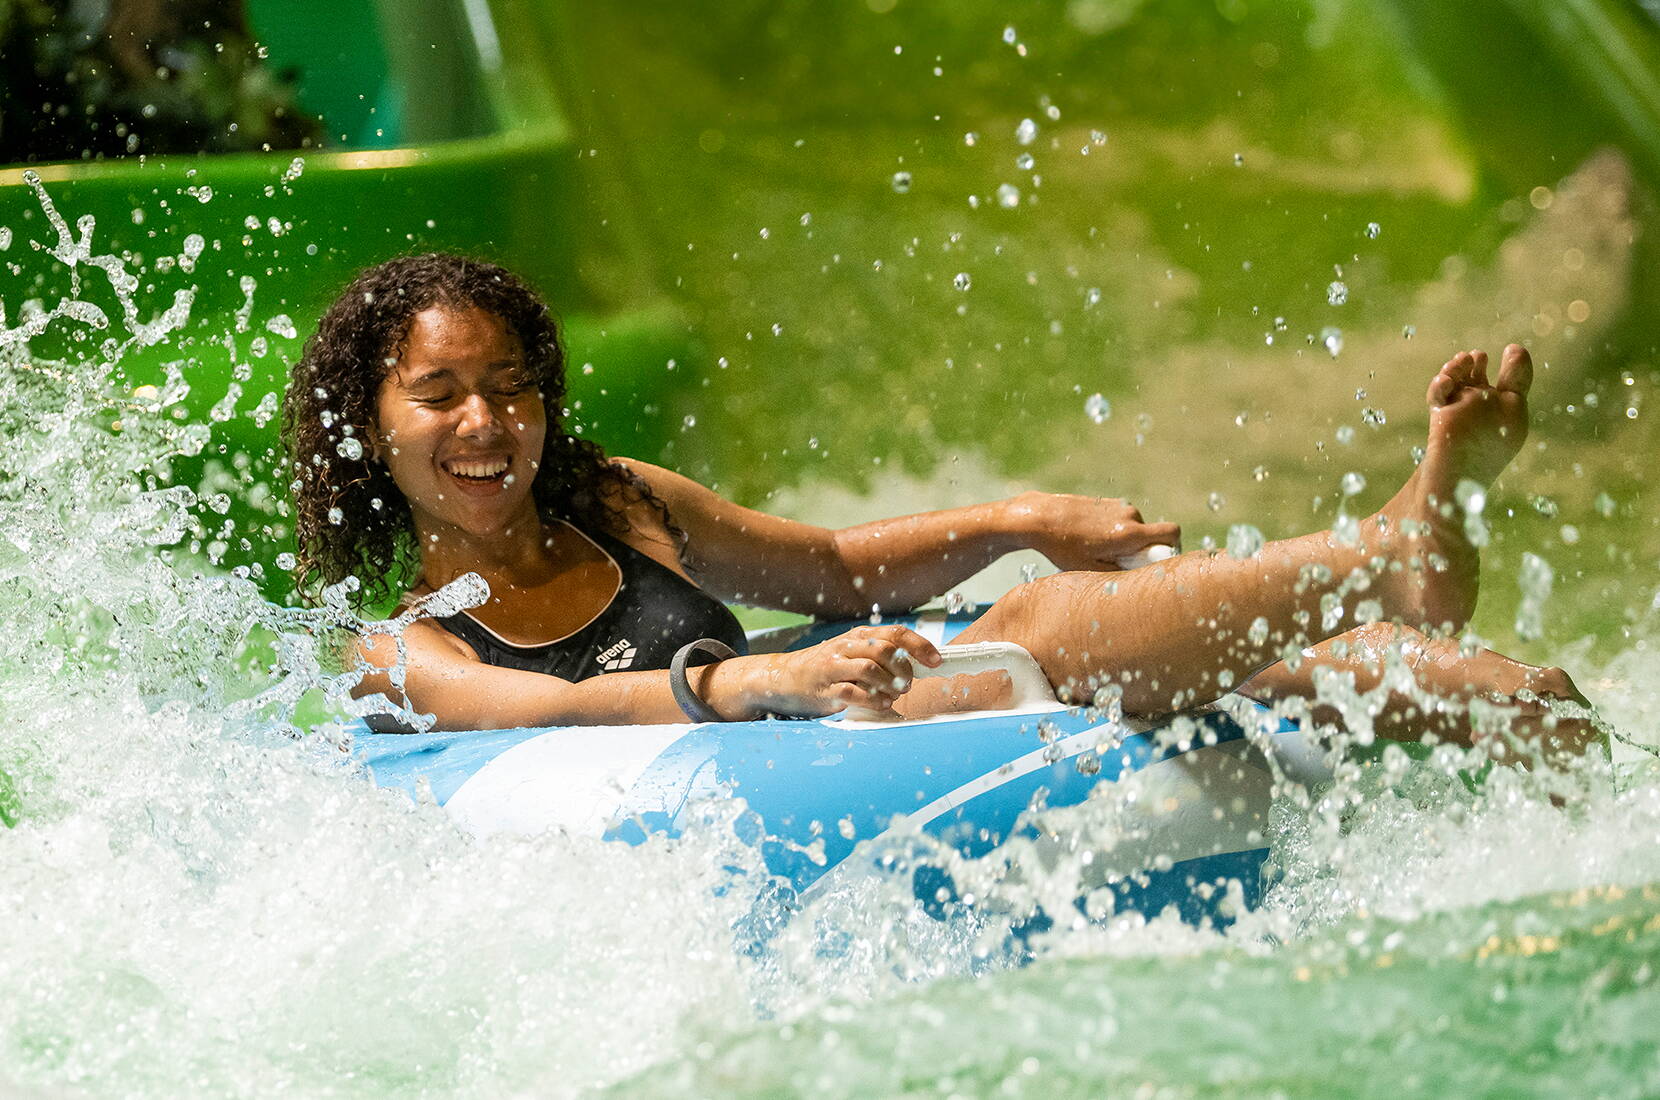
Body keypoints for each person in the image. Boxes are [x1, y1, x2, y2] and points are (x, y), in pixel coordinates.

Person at [282, 253, 1595, 763]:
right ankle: (1385, 549)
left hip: (817, 690)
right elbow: (563, 709)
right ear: (369, 424)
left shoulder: (619, 499)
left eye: (510, 387)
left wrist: (1023, 512)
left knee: (1415, 678)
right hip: (745, 747)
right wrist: (738, 690)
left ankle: (1525, 745)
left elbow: (842, 566)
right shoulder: (405, 649)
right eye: (440, 395)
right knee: (1035, 628)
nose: (486, 423)